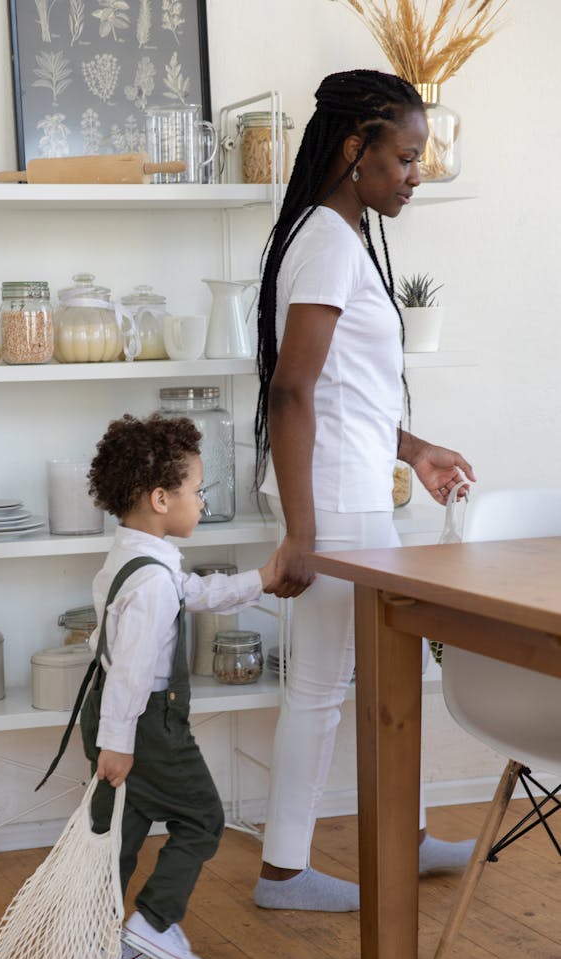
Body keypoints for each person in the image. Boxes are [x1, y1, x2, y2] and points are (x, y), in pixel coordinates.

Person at [253, 70, 477, 913]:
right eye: (406, 158)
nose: (416, 174)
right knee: (324, 682)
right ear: (356, 152)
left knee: (387, 671)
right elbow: (291, 391)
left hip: (352, 490)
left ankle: (406, 837)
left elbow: (349, 393)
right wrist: (302, 533)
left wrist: (414, 449)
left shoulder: (339, 239)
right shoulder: (325, 242)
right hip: (333, 503)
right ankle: (281, 872)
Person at [80, 413, 278, 959]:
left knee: (123, 830)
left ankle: (94, 940)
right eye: (197, 490)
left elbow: (188, 592)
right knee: (202, 819)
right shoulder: (151, 583)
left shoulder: (134, 559)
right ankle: (153, 923)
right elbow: (132, 672)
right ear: (161, 498)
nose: (203, 503)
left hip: (114, 716)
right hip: (144, 722)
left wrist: (261, 579)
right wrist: (118, 742)